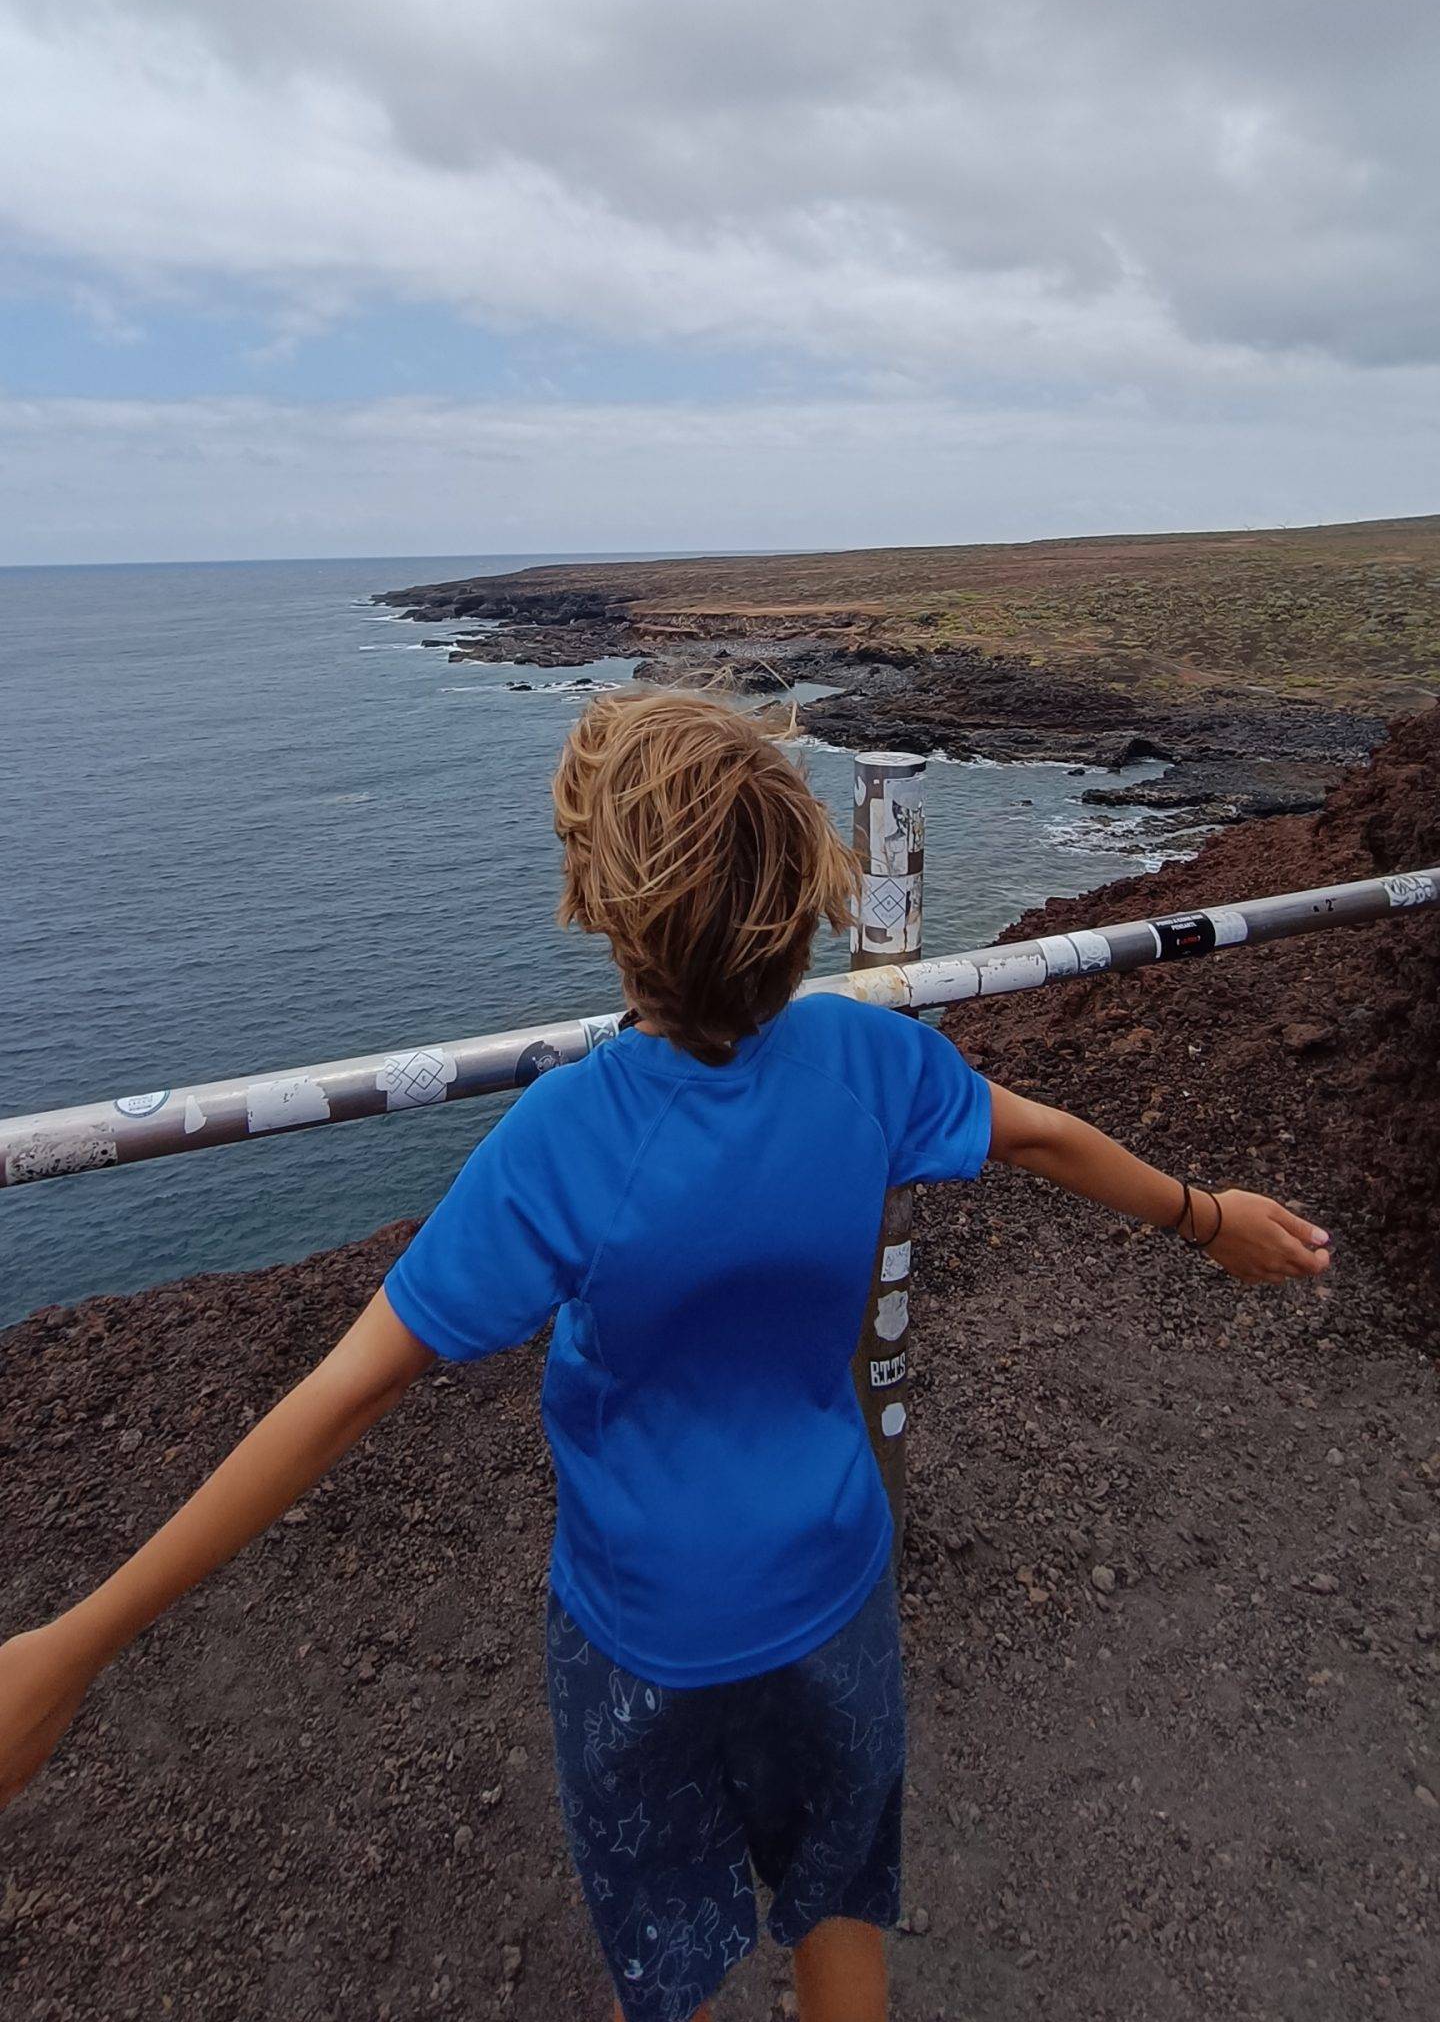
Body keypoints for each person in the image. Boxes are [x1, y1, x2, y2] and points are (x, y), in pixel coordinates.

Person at [0, 691, 1333, 2022]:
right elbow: (1045, 1137)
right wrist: (1212, 1223)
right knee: (839, 1909)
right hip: (835, 1585)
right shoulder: (873, 1058)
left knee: (672, 1962)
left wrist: (77, 1643)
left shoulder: (560, 1144)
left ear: (604, 904)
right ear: (806, 882)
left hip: (641, 1637)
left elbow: (342, 1396)